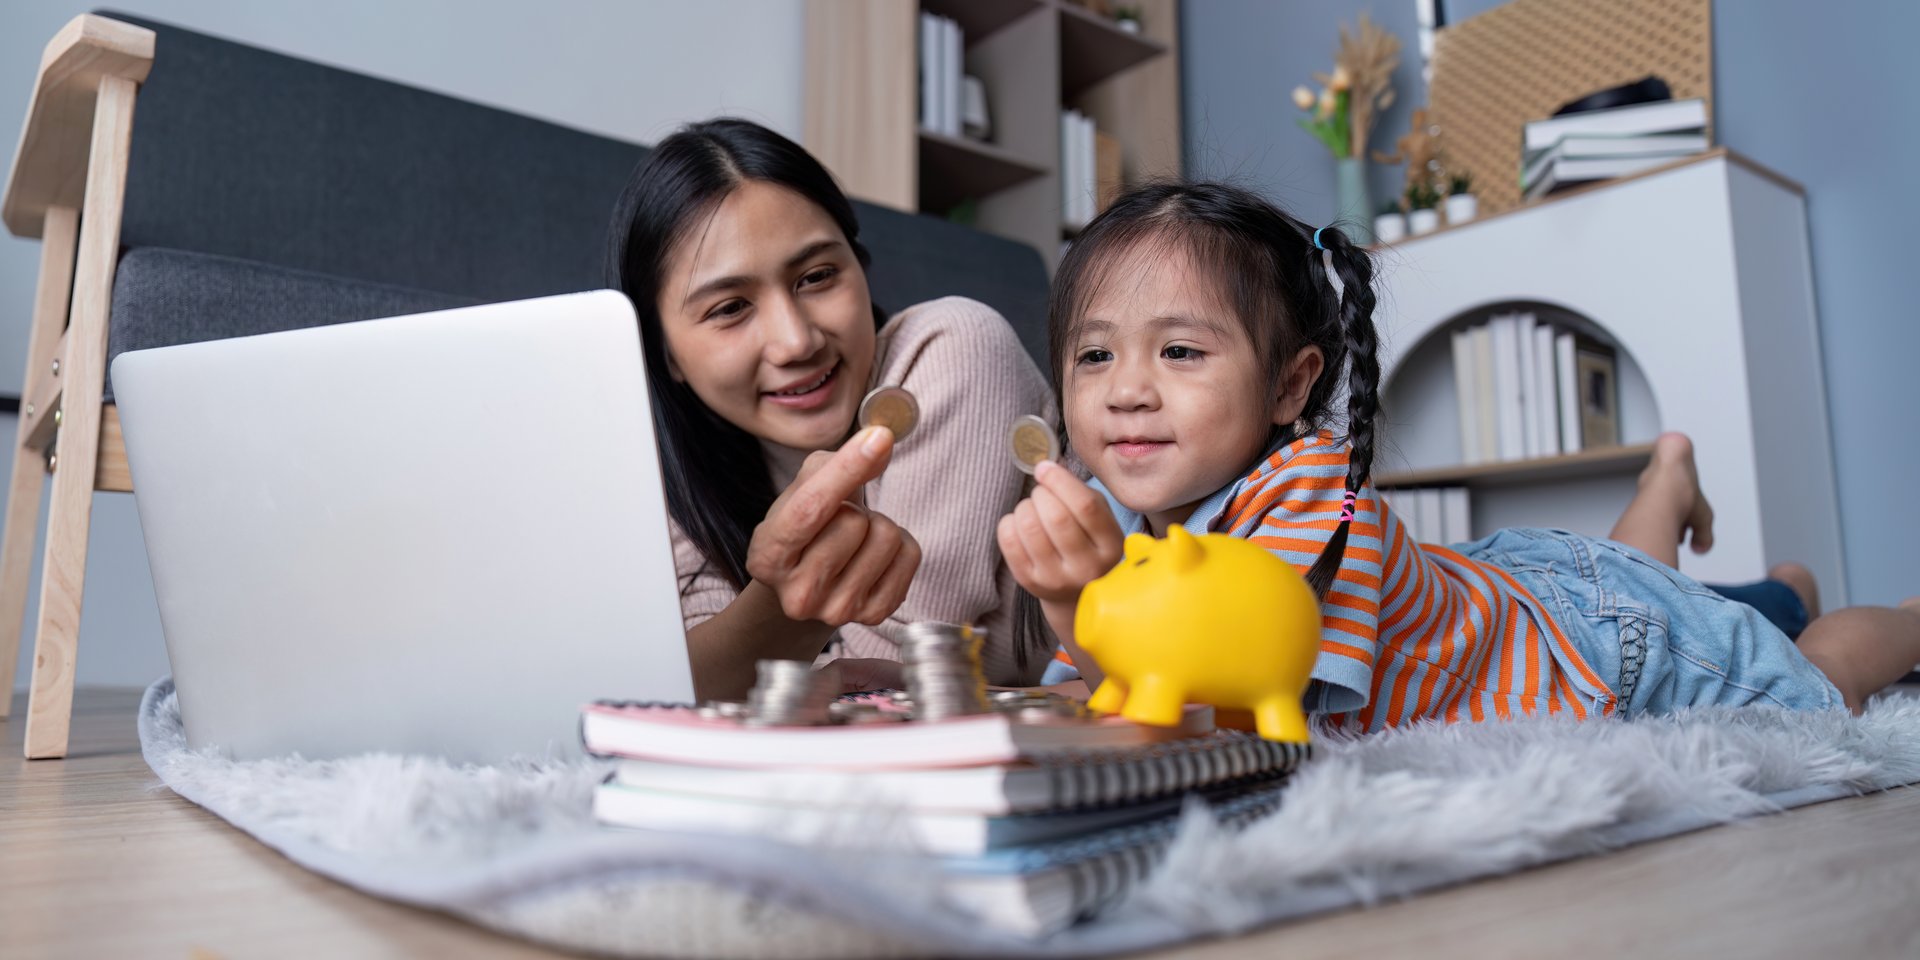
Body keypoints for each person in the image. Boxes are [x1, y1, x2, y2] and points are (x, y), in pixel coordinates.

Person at [996, 180, 1920, 726]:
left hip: (1602, 644)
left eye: (1181, 351)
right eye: (1094, 354)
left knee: (1817, 687)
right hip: (1536, 595)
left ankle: (1904, 615)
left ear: (1289, 386)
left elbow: (1225, 716)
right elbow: (1106, 691)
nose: (1125, 389)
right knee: (1648, 582)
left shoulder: (1310, 489)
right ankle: (1688, 501)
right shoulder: (1112, 505)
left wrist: (1077, 601)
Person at [605, 118, 1054, 700]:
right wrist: (779, 609)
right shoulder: (671, 470)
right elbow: (685, 691)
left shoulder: (953, 347)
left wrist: (767, 637)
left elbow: (889, 678)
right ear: (666, 352)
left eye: (817, 276)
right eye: (730, 308)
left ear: (860, 267)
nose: (797, 342)